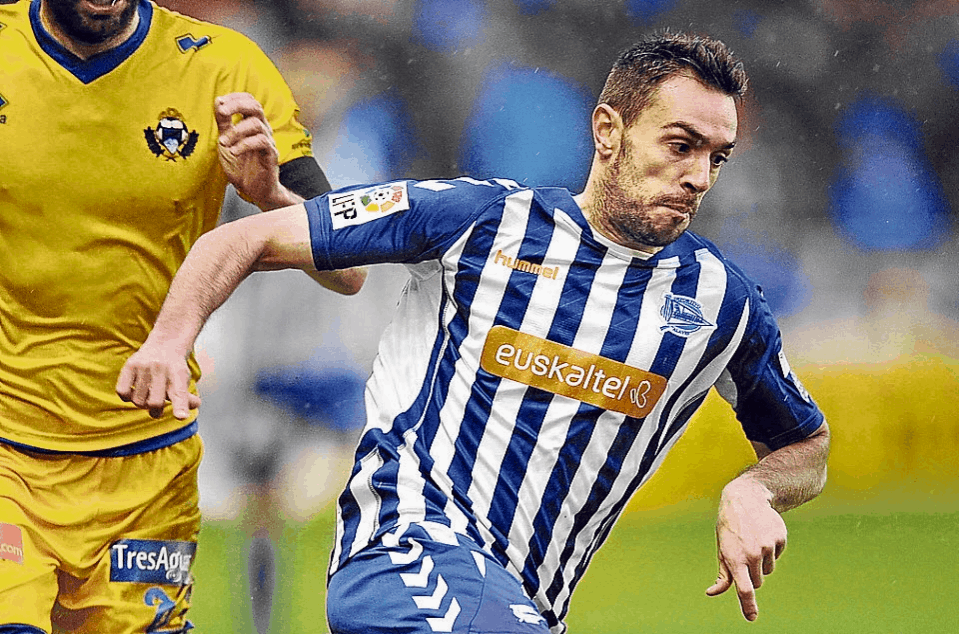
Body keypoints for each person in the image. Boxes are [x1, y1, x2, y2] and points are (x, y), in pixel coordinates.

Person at [117, 31, 831, 633]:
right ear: (607, 131)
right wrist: (168, 342)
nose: (699, 175)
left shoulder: (720, 303)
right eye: (680, 145)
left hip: (523, 604)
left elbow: (805, 446)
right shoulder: (481, 219)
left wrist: (755, 491)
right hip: (403, 549)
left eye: (716, 157)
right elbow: (240, 240)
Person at [0, 1, 365, 633]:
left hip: (147, 463)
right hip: (9, 451)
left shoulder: (225, 67)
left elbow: (349, 267)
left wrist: (270, 197)